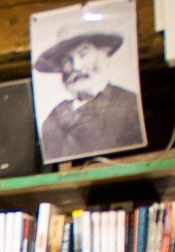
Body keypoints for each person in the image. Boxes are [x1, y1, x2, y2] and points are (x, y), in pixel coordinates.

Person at [33, 28, 144, 160]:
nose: (76, 66)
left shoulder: (129, 104)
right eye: (67, 61)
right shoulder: (54, 117)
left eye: (83, 54)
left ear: (104, 55)